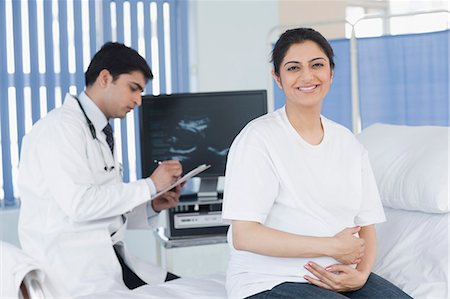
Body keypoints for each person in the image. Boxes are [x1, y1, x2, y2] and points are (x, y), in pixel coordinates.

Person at [222, 28, 411, 299]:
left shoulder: (348, 143)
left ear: (331, 73)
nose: (307, 76)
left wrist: (361, 274)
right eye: (293, 68)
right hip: (268, 280)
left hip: (339, 273)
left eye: (317, 65)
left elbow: (366, 226)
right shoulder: (258, 138)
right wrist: (332, 246)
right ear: (278, 77)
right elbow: (245, 236)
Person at [18, 42, 183, 297]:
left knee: (185, 288)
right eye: (133, 89)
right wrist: (150, 185)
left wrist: (153, 204)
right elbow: (80, 205)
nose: (138, 101)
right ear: (105, 78)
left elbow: (106, 209)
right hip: (72, 274)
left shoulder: (97, 131)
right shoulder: (60, 129)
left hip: (106, 261)